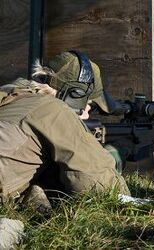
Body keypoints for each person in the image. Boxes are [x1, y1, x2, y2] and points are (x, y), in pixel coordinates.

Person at [0, 51, 130, 209]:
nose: (88, 114)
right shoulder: (53, 109)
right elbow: (97, 185)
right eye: (90, 105)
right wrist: (113, 156)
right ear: (74, 96)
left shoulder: (12, 96)